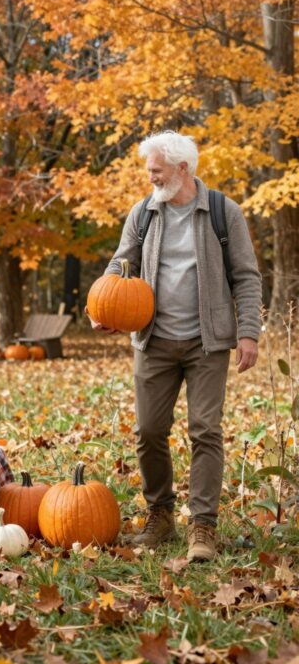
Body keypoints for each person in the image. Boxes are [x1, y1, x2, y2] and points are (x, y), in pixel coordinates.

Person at [91, 130, 262, 562]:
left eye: (156, 171)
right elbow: (120, 260)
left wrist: (249, 333)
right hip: (154, 340)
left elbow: (246, 276)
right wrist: (104, 304)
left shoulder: (224, 212)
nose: (150, 178)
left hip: (208, 342)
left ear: (182, 169)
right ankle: (161, 515)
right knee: (148, 431)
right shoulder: (144, 212)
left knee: (205, 430)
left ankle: (202, 525)